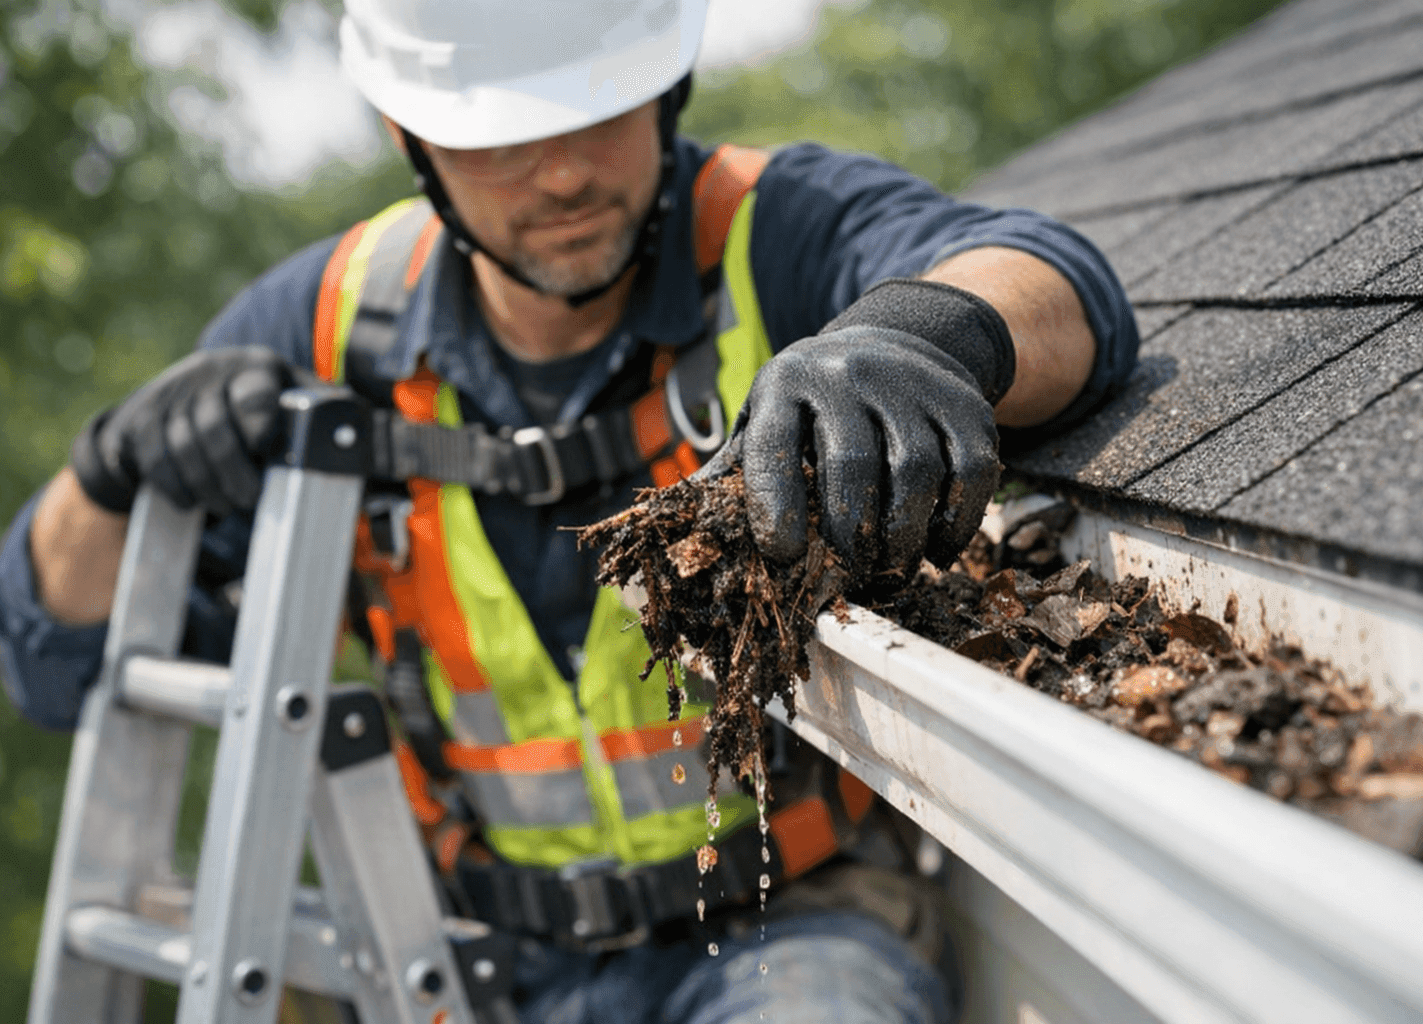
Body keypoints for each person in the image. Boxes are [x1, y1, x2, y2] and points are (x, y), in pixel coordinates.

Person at [1, 0, 1138, 1020]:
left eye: (598, 113)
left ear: (666, 88)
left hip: (787, 922)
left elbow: (1054, 284)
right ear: (410, 139)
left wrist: (909, 339)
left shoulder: (768, 227)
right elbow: (48, 663)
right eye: (498, 137)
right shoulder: (323, 330)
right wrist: (108, 475)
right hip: (457, 959)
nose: (559, 176)